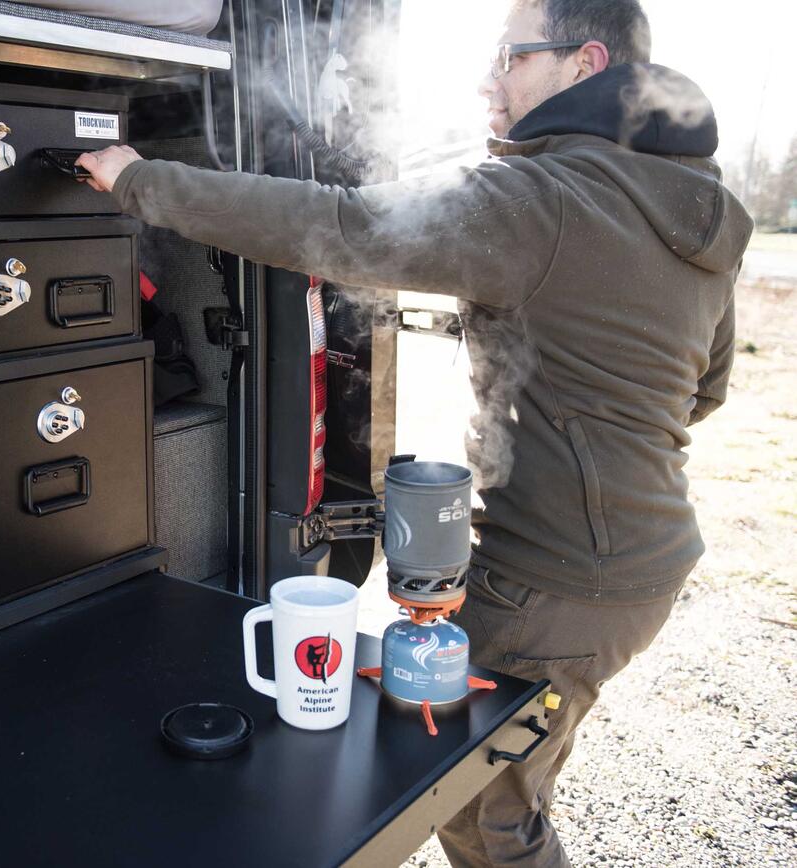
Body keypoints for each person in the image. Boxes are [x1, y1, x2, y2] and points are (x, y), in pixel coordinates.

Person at [76, 1, 751, 865]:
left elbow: (342, 226)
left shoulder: (546, 199)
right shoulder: (704, 210)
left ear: (584, 63)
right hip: (640, 566)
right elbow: (704, 391)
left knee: (483, 816)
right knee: (514, 781)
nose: (488, 79)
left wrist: (142, 178)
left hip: (554, 580)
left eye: (509, 56)